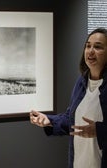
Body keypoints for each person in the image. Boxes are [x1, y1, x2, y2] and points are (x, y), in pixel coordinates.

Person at [30, 28, 107, 168]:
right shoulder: (81, 82)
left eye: (98, 47)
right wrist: (49, 120)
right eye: (88, 45)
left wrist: (99, 131)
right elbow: (71, 119)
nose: (90, 51)